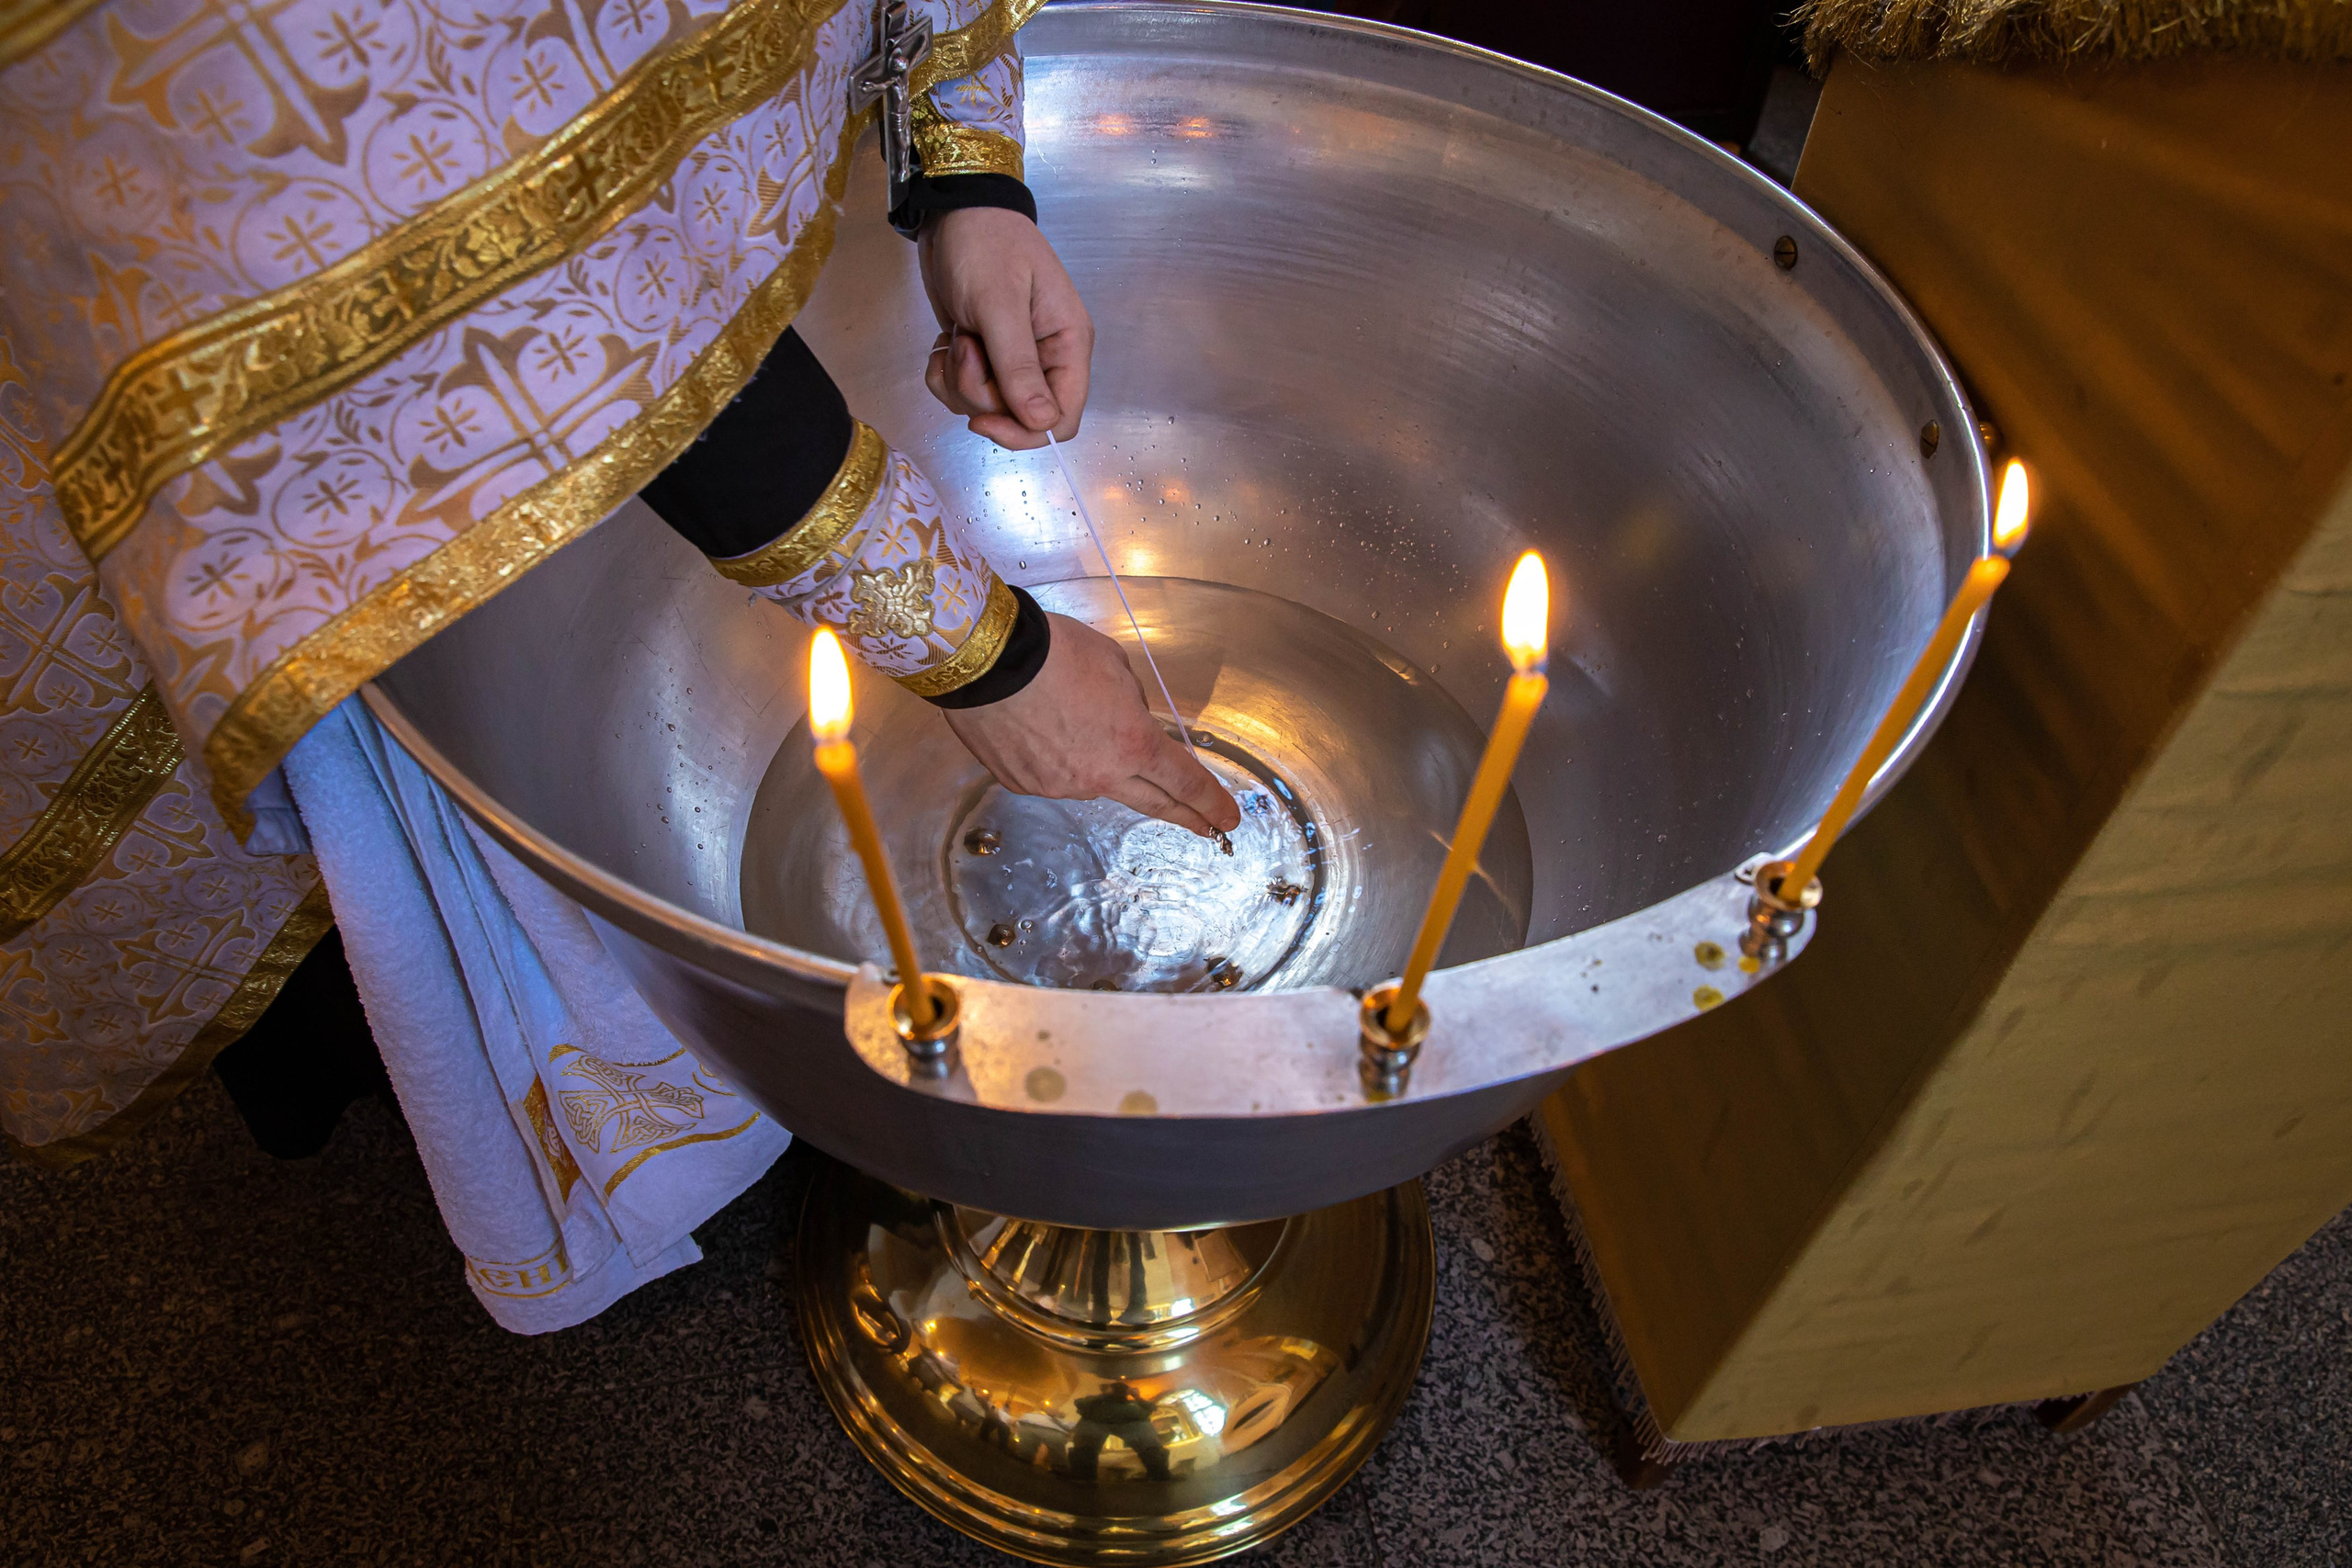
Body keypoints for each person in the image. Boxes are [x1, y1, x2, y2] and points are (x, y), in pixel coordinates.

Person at [0, 0, 1227, 1325]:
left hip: (696, 238)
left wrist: (967, 172)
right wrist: (989, 658)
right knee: (365, 876)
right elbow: (500, 256)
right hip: (337, 374)